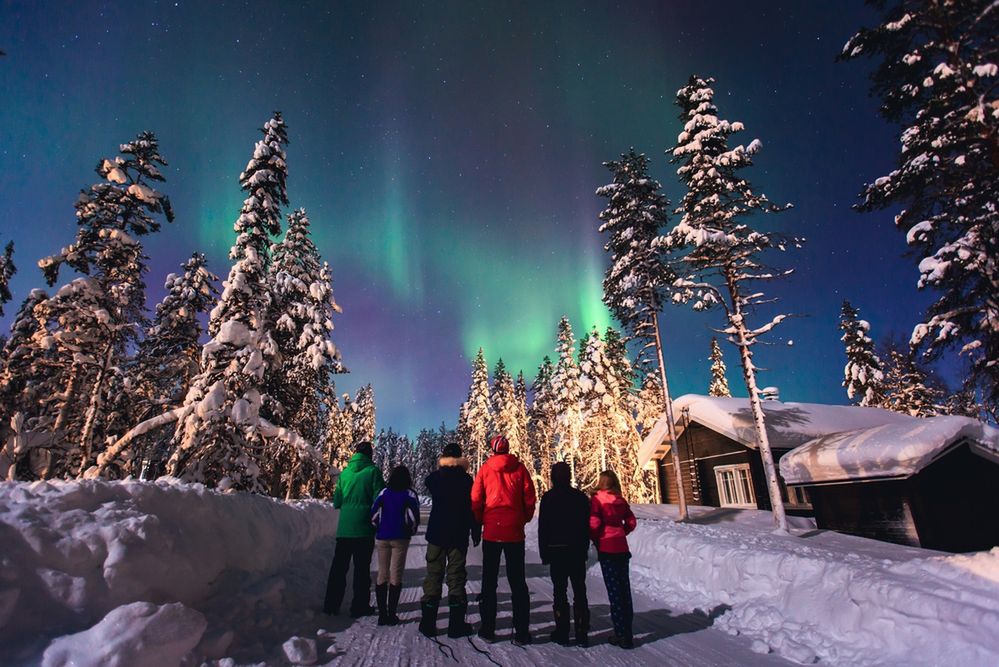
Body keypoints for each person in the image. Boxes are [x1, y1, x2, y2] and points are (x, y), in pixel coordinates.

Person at [471, 434, 537, 645]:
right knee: (518, 582)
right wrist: (522, 519)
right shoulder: (520, 469)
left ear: (493, 450)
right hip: (514, 533)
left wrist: (482, 520)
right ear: (507, 449)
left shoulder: (485, 469)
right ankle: (521, 632)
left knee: (489, 581)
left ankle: (488, 629)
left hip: (492, 532)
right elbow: (529, 498)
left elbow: (476, 499)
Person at [419, 442, 481, 638]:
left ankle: (428, 624)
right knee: (456, 578)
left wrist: (442, 467)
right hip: (458, 534)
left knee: (433, 576)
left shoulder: (436, 478)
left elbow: (427, 480)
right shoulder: (467, 480)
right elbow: (473, 508)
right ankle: (456, 625)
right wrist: (475, 530)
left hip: (436, 534)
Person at [324, 441, 385, 618]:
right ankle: (359, 606)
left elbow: (337, 502)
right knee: (361, 570)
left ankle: (331, 605)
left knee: (338, 568)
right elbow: (380, 498)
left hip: (344, 529)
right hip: (364, 528)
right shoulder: (373, 472)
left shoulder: (345, 474)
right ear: (370, 455)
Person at [538, 461, 590, 646]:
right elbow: (587, 526)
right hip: (576, 551)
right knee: (579, 590)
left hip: (556, 551)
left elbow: (543, 527)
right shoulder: (580, 497)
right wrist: (585, 548)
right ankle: (582, 632)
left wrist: (544, 552)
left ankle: (562, 632)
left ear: (553, 476)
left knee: (559, 592)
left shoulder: (548, 498)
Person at [590, 470, 637, 649]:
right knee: (624, 589)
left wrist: (596, 538)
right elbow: (631, 522)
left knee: (614, 591)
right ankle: (628, 632)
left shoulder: (597, 500)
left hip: (607, 548)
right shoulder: (620, 500)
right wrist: (621, 532)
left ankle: (620, 634)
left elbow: (594, 523)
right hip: (622, 549)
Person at [370, 465, 421, 626]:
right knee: (396, 575)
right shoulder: (410, 494)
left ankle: (382, 615)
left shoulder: (384, 492)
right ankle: (391, 613)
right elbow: (414, 517)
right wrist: (410, 530)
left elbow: (374, 513)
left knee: (382, 574)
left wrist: (378, 527)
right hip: (400, 538)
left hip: (383, 537)